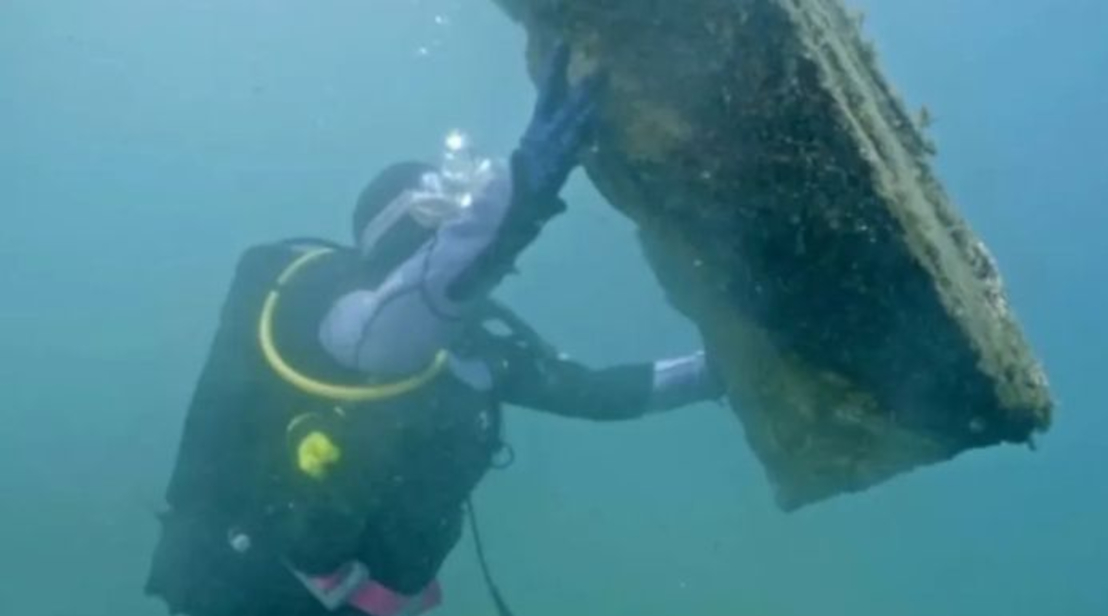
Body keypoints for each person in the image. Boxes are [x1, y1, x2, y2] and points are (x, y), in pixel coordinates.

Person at [144, 42, 723, 616]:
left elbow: (594, 392)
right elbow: (385, 336)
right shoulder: (304, 293)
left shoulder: (473, 350)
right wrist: (515, 199)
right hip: (240, 592)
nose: (474, 258)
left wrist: (721, 373)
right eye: (444, 227)